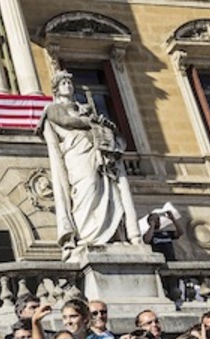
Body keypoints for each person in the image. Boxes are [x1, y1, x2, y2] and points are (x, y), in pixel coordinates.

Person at [40, 70, 140, 254]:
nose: (68, 86)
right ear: (56, 89)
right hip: (76, 153)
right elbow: (67, 121)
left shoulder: (83, 108)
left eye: (69, 83)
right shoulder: (53, 109)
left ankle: (112, 235)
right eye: (63, 84)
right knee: (87, 188)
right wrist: (91, 120)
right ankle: (88, 235)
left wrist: (101, 124)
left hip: (95, 150)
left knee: (109, 191)